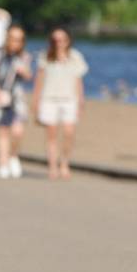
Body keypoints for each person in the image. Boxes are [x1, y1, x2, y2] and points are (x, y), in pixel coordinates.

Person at [31, 27, 88, 180]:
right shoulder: (45, 56)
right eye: (55, 40)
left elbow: (78, 81)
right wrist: (35, 101)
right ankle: (52, 166)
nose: (59, 43)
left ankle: (64, 163)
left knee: (69, 133)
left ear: (68, 40)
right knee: (52, 134)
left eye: (62, 40)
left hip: (69, 99)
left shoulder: (75, 56)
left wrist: (81, 100)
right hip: (49, 99)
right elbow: (39, 81)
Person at [0, 25, 32, 179]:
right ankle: (3, 164)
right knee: (3, 131)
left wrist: (23, 72)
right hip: (1, 97)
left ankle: (13, 156)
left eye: (18, 40)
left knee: (18, 131)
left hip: (17, 98)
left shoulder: (24, 56)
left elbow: (29, 76)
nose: (14, 42)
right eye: (12, 38)